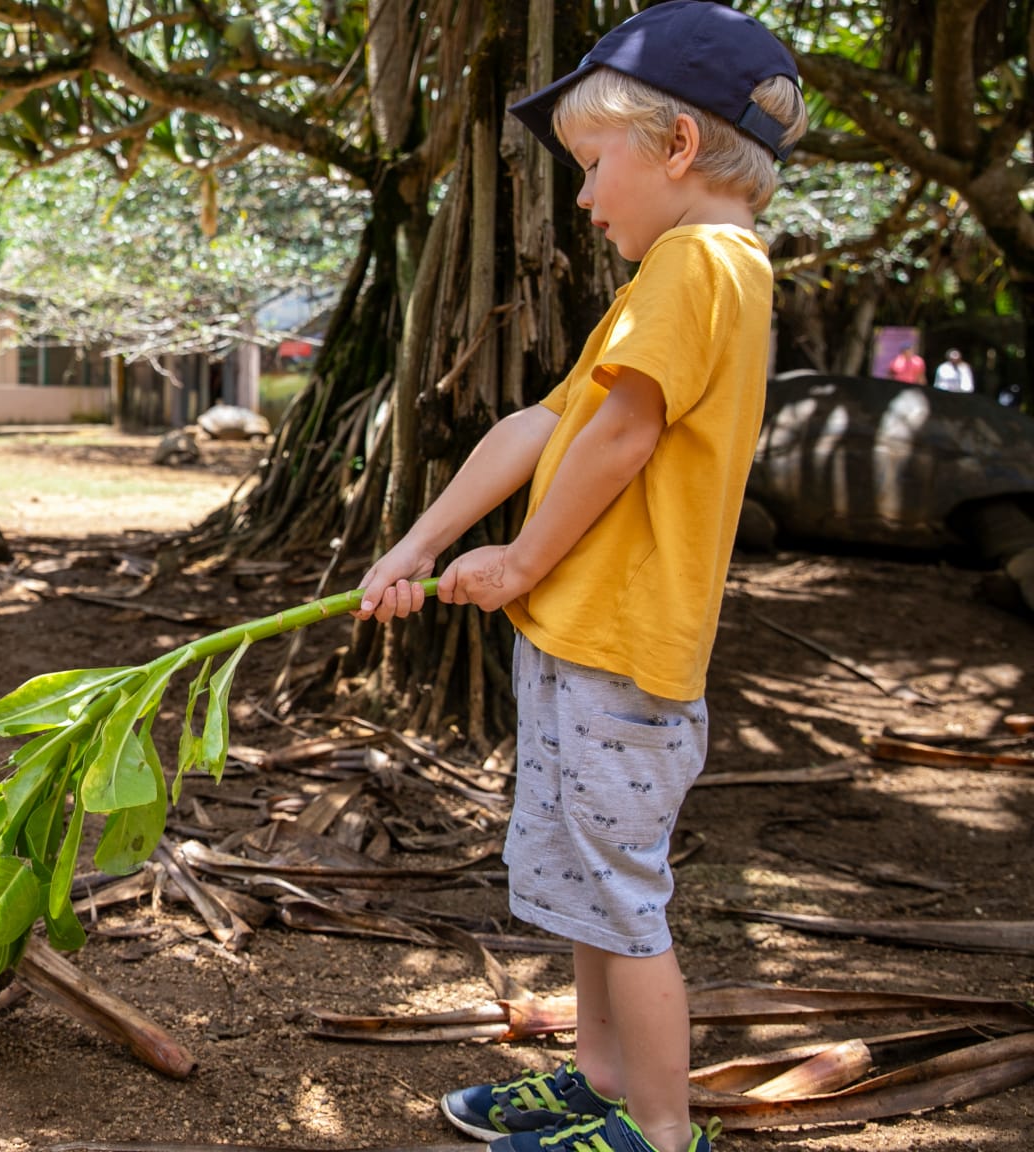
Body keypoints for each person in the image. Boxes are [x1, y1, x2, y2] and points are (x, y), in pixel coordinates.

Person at [351, 4, 807, 1151]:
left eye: (594, 166)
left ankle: (659, 1133)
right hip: (578, 641)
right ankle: (600, 1086)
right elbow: (536, 427)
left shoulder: (700, 262)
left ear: (678, 147)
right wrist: (415, 546)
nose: (587, 197)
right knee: (582, 885)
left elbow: (621, 438)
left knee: (622, 895)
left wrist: (518, 558)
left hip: (619, 649)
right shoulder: (672, 279)